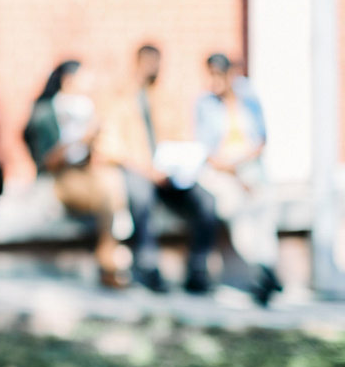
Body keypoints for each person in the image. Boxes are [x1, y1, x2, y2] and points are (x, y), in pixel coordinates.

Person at [99, 44, 217, 294]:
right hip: (136, 170)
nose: (154, 69)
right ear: (138, 63)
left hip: (168, 171)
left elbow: (181, 136)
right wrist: (147, 169)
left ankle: (198, 268)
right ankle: (148, 265)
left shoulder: (166, 98)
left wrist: (177, 163)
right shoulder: (120, 97)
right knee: (142, 197)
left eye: (158, 63)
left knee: (205, 201)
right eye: (149, 63)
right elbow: (111, 146)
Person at [23, 60, 130, 288]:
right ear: (68, 79)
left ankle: (109, 255)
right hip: (59, 177)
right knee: (108, 195)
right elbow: (47, 160)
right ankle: (109, 259)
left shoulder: (87, 107)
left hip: (86, 172)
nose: (89, 84)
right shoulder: (47, 111)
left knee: (113, 181)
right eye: (84, 78)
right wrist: (82, 139)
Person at [194, 53, 283, 306]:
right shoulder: (203, 103)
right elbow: (207, 152)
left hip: (250, 167)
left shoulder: (248, 96)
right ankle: (259, 270)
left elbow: (261, 139)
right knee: (238, 210)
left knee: (264, 207)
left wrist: (245, 171)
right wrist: (235, 173)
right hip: (223, 172)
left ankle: (266, 267)